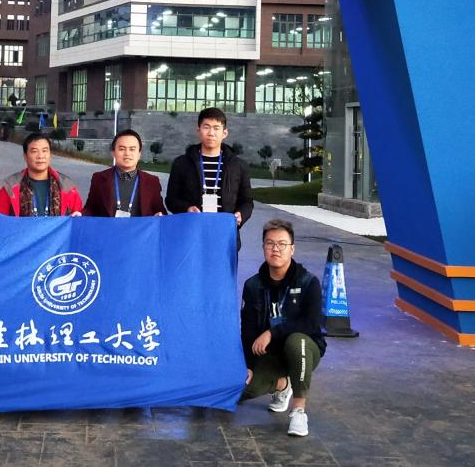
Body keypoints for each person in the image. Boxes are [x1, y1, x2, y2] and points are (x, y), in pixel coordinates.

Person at [240, 219, 325, 437]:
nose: (275, 249)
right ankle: (282, 385)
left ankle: (298, 411)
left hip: (303, 350)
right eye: (270, 243)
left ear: (292, 249)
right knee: (239, 390)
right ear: (263, 247)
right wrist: (247, 365)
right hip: (269, 355)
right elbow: (247, 330)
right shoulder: (252, 286)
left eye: (282, 244)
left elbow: (311, 324)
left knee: (297, 341)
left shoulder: (309, 282)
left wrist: (272, 332)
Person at [165, 107, 253, 247]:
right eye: (206, 127)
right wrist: (187, 208)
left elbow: (247, 201)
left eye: (216, 128)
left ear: (225, 133)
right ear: (198, 130)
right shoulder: (182, 163)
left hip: (225, 236)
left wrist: (241, 214)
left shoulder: (238, 166)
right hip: (190, 236)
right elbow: (171, 199)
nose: (211, 133)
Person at [0, 132, 83, 216]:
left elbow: (78, 217)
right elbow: (0, 221)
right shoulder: (10, 188)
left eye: (45, 151)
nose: (40, 156)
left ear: (50, 155)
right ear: (25, 156)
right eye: (34, 151)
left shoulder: (67, 187)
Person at [83, 129, 165, 217]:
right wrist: (80, 214)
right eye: (122, 149)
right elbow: (90, 209)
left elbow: (160, 211)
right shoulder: (99, 178)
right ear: (113, 152)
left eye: (132, 149)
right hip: (109, 226)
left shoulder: (152, 181)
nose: (127, 153)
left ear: (139, 154)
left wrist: (160, 215)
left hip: (140, 226)